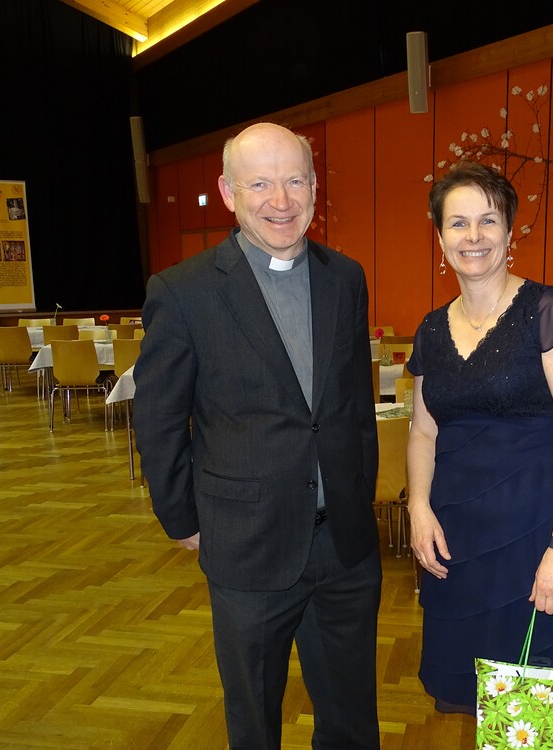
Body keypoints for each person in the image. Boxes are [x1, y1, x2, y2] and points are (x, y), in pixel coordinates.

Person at [132, 122, 382, 750]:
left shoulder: (345, 277)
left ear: (315, 187)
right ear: (228, 192)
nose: (281, 200)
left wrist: (359, 496)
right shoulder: (182, 291)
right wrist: (182, 518)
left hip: (344, 546)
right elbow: (159, 419)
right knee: (254, 724)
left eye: (295, 180)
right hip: (247, 545)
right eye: (261, 184)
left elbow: (354, 405)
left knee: (352, 720)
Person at [406, 161, 553, 714]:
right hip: (458, 540)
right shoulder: (430, 329)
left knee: (541, 713)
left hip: (537, 533)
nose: (473, 236)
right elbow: (423, 431)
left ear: (510, 231)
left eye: (488, 221)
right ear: (440, 237)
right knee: (479, 703)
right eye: (458, 223)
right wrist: (418, 507)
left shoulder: (547, 310)